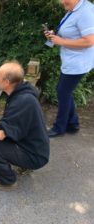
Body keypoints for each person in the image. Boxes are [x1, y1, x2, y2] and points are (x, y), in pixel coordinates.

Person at [0, 61, 50, 190]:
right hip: (35, 148)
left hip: (35, 156)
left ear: (7, 82)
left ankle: (6, 181)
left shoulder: (20, 101)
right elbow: (13, 124)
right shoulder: (23, 95)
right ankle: (22, 165)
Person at [44, 0, 94, 137]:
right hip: (71, 60)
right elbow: (72, 32)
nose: (61, 2)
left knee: (63, 91)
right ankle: (72, 124)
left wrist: (61, 41)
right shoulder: (74, 10)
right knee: (64, 91)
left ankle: (59, 128)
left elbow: (89, 41)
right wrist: (55, 36)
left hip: (78, 63)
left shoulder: (85, 12)